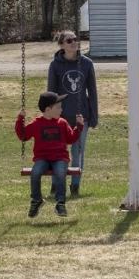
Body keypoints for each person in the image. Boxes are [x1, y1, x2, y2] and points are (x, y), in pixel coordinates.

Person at [16, 91, 84, 218]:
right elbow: (23, 135)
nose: (61, 110)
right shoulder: (36, 124)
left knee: (60, 172)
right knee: (35, 172)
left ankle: (60, 202)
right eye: (58, 107)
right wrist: (20, 119)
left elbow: (71, 139)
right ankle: (36, 200)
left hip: (60, 158)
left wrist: (79, 126)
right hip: (43, 158)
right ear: (48, 109)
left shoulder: (62, 123)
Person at [47, 30, 98, 197]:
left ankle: (75, 186)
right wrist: (49, 116)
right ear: (62, 45)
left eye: (76, 39)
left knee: (77, 153)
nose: (74, 43)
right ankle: (55, 185)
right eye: (69, 40)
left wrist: (94, 116)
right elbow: (51, 93)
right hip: (61, 117)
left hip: (81, 116)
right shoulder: (55, 65)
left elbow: (92, 90)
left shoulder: (86, 63)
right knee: (58, 152)